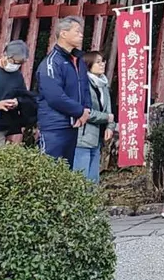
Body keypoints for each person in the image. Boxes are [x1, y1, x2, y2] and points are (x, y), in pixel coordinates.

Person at [35, 16, 91, 166]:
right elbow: (55, 96)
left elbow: (85, 89)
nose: (81, 35)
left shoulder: (79, 61)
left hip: (73, 125)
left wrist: (86, 110)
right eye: (77, 31)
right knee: (48, 169)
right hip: (54, 125)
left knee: (66, 170)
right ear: (63, 33)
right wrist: (79, 111)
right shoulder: (51, 62)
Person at [72, 52, 116, 183]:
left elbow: (110, 111)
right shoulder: (82, 84)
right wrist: (106, 118)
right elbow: (85, 111)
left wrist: (110, 126)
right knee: (81, 179)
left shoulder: (104, 85)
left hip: (97, 139)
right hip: (82, 137)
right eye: (98, 62)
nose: (102, 64)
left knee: (93, 180)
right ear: (88, 65)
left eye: (103, 61)